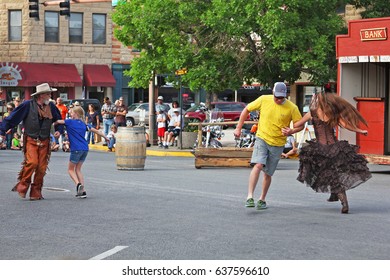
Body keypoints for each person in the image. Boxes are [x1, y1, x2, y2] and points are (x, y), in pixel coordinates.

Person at [293, 91, 372, 214]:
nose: (313, 101)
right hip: (335, 148)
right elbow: (346, 125)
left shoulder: (312, 114)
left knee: (329, 174)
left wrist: (290, 128)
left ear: (319, 102)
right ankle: (334, 194)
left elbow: (297, 124)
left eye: (315, 99)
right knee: (331, 172)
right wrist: (360, 130)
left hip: (320, 149)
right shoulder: (333, 114)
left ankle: (343, 202)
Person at [234, 82, 303, 210]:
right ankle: (249, 196)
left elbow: (300, 125)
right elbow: (246, 109)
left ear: (285, 95)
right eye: (276, 97)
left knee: (268, 173)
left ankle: (262, 199)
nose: (278, 100)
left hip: (278, 143)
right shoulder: (263, 99)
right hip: (262, 138)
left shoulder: (292, 108)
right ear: (273, 92)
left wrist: (291, 131)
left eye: (281, 97)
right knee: (258, 164)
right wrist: (238, 128)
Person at [0, 83, 64, 200]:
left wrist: (59, 130)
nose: (50, 96)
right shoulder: (27, 105)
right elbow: (12, 118)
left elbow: (58, 119)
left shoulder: (51, 106)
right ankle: (23, 184)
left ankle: (36, 192)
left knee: (42, 167)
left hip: (44, 140)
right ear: (41, 95)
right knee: (32, 162)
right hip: (31, 139)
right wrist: (2, 131)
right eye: (48, 94)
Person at [55, 105, 108, 198]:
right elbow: (97, 131)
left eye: (71, 112)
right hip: (85, 148)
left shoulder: (69, 122)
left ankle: (78, 184)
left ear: (76, 114)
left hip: (76, 149)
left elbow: (57, 121)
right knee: (78, 169)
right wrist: (106, 138)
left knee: (70, 170)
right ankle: (83, 191)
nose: (70, 114)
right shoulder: (84, 124)